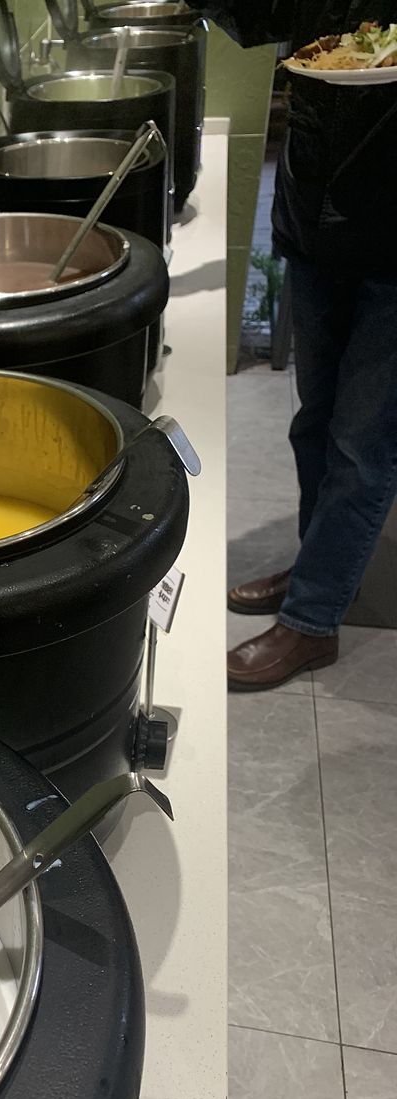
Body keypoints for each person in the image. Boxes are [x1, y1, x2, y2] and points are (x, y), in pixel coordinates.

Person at [191, 1, 397, 691]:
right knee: (315, 420)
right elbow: (256, 15)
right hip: (315, 213)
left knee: (362, 446)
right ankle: (320, 567)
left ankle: (313, 619)